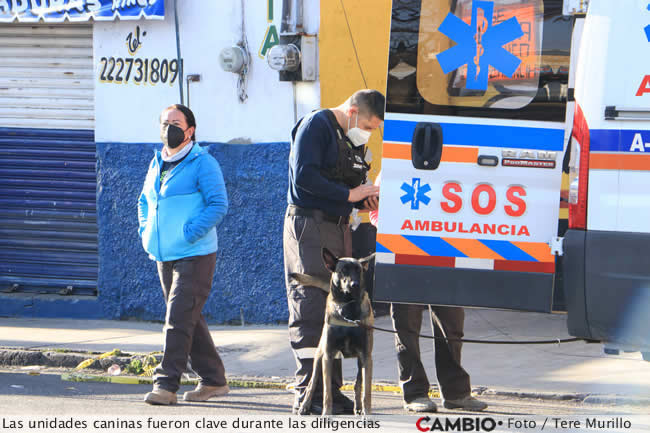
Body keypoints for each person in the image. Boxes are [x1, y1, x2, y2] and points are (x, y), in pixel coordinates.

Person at [283, 89, 384, 415]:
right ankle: (308, 394)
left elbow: (349, 180)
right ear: (353, 110)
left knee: (339, 307)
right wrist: (350, 192)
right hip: (310, 225)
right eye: (368, 125)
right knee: (311, 302)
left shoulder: (346, 140)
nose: (369, 132)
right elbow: (304, 177)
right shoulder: (316, 126)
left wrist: (362, 196)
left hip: (339, 225)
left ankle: (333, 393)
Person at [369, 175, 487, 413]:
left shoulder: (456, 167)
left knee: (452, 325)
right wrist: (394, 230)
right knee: (406, 326)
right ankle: (414, 394)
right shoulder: (395, 166)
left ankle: (456, 394)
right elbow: (375, 212)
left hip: (445, 254)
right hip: (403, 254)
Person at [137, 104, 229, 405]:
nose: (169, 128)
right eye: (164, 123)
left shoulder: (203, 163)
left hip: (196, 253)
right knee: (188, 317)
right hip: (163, 254)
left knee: (177, 317)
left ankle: (166, 385)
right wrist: (145, 231)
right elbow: (144, 202)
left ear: (190, 129)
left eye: (175, 123)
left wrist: (189, 232)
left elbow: (218, 205)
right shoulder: (157, 162)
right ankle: (214, 380)